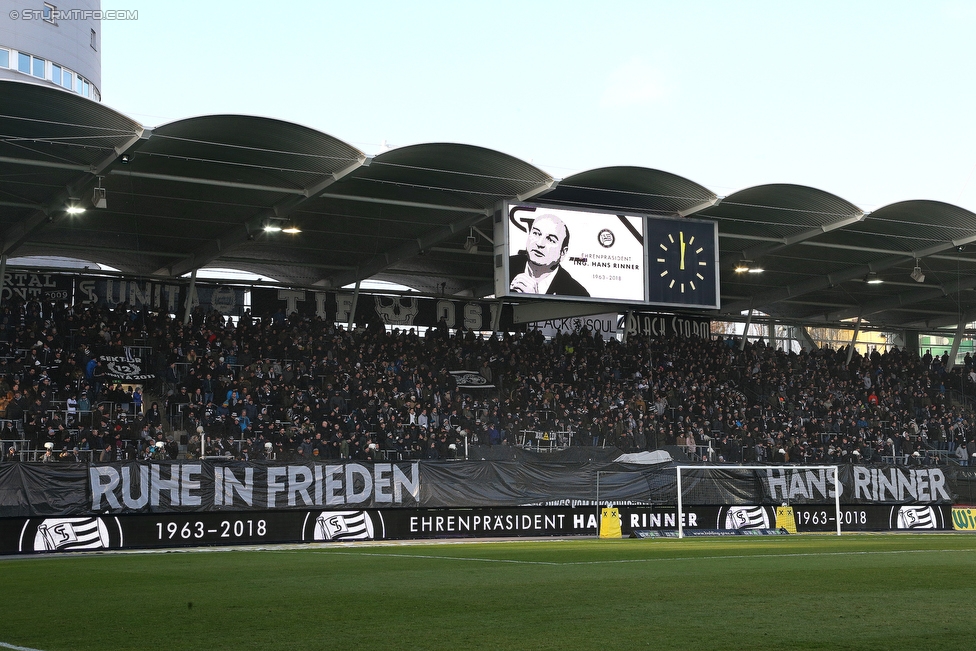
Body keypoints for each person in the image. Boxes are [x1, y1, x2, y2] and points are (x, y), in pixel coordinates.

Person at [509, 213, 589, 297]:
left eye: (550, 239)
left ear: (563, 253)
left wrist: (534, 299)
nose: (540, 243)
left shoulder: (576, 292)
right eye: (536, 233)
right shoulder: (506, 265)